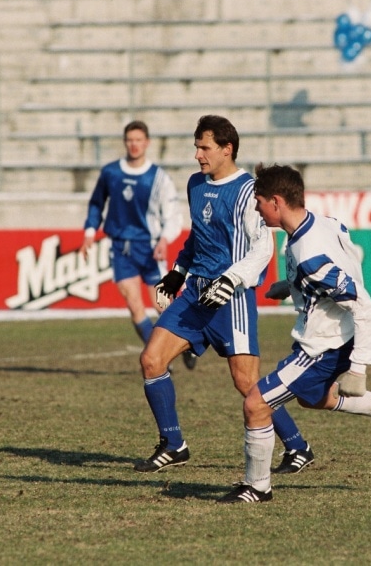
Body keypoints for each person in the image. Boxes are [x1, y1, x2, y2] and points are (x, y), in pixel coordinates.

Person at [216, 163, 371, 504]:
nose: (256, 208)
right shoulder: (324, 223)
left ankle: (257, 487)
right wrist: (293, 286)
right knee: (314, 398)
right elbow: (343, 260)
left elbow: (363, 305)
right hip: (332, 337)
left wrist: (359, 367)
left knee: (256, 404)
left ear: (276, 202)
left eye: (259, 201)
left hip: (323, 347)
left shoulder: (310, 256)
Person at [136, 115, 315, 476]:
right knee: (151, 360)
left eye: (204, 147)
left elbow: (262, 248)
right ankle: (173, 444)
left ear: (226, 149)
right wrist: (178, 272)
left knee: (247, 383)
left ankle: (298, 447)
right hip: (195, 295)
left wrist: (231, 281)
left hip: (231, 301)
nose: (197, 155)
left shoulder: (249, 191)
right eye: (196, 147)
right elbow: (198, 236)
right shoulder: (195, 184)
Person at [81, 120, 194, 370]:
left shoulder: (158, 178)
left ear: (147, 143)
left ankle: (187, 344)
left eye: (139, 140)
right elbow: (96, 203)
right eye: (130, 140)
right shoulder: (111, 173)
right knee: (134, 306)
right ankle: (159, 360)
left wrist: (164, 239)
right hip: (120, 248)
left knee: (162, 306)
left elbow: (173, 215)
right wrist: (89, 232)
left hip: (150, 248)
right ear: (125, 142)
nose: (134, 145)